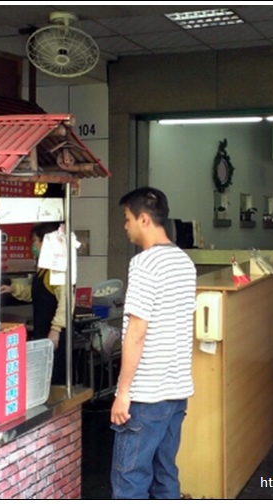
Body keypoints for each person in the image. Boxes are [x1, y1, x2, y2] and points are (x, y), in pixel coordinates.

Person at [110, 187, 197, 499]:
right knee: (165, 474)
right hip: (176, 392)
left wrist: (123, 392)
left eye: (127, 219)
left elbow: (137, 331)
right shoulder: (184, 262)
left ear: (144, 219)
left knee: (130, 478)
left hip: (146, 396)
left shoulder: (145, 264)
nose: (125, 226)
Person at [0, 222, 68, 385]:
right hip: (43, 331)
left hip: (54, 335)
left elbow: (66, 302)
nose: (33, 245)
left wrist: (56, 330)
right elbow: (36, 294)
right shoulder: (44, 270)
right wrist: (13, 289)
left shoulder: (56, 270)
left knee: (54, 379)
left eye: (35, 241)